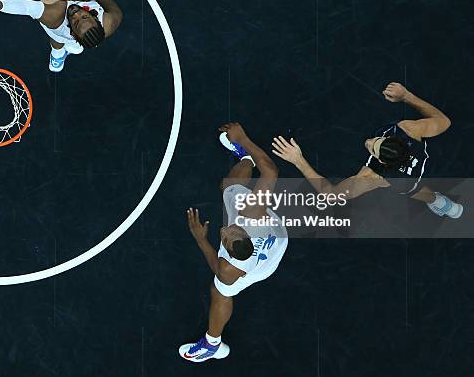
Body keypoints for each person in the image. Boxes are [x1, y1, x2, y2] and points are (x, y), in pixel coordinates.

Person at [180, 122, 288, 363]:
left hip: (264, 265)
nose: (223, 230)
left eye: (224, 238)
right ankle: (246, 156)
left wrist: (200, 240)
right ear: (243, 234)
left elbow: (217, 267)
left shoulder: (229, 269)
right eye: (230, 232)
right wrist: (244, 138)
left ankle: (212, 345)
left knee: (219, 291)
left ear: (227, 250)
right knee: (230, 189)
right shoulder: (253, 215)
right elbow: (271, 171)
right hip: (275, 233)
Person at [271, 82, 463, 218]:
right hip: (422, 162)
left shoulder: (375, 178)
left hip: (408, 182)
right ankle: (441, 204)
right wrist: (406, 96)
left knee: (417, 191)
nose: (369, 142)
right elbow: (444, 121)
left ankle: (439, 202)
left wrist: (298, 160)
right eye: (378, 140)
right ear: (394, 139)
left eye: (372, 149)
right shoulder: (409, 130)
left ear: (382, 163)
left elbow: (330, 195)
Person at [0, 0, 122, 71]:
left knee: (56, 41)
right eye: (84, 16)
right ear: (95, 17)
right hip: (76, 33)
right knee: (76, 48)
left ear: (73, 32)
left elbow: (26, 7)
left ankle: (57, 54)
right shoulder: (109, 22)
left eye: (75, 22)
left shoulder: (55, 18)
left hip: (59, 30)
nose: (75, 14)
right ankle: (71, 50)